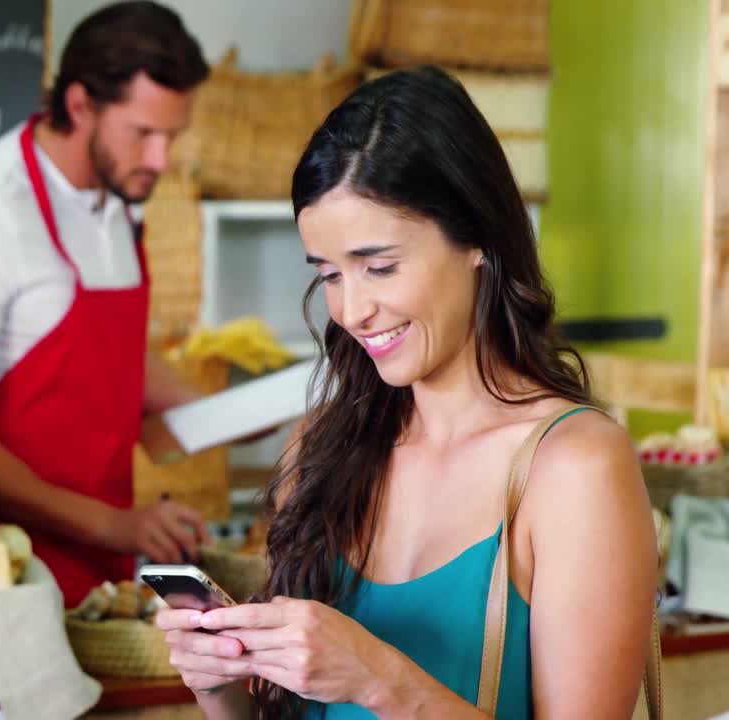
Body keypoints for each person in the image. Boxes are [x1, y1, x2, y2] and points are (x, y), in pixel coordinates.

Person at [158, 66, 658, 717]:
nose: (352, 309)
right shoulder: (321, 446)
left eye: (380, 267)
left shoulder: (573, 467)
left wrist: (378, 679)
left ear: (476, 237)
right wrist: (219, 682)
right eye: (330, 275)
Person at [0, 1, 213, 607]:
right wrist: (111, 523)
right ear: (80, 105)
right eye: (144, 134)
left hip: (104, 582)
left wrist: (237, 412)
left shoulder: (118, 201)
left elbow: (112, 357)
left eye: (171, 137)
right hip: (3, 590)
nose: (161, 160)